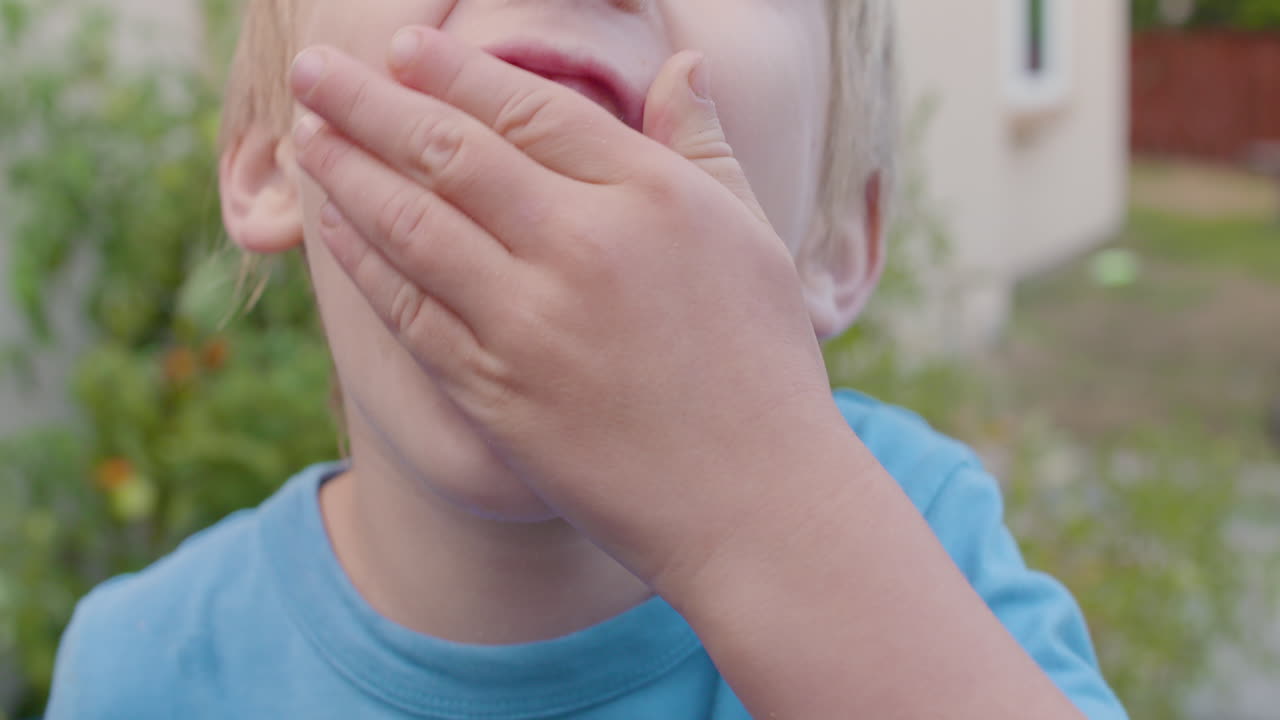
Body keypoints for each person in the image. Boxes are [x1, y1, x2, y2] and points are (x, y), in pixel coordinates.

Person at [45, 1, 1128, 718]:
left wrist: (758, 510)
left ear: (834, 239)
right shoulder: (145, 669)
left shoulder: (915, 549)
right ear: (274, 159)